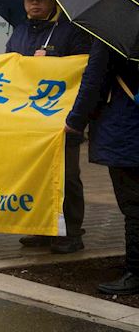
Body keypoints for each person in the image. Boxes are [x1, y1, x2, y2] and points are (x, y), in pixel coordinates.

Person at [8, 0, 92, 254]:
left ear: (53, 1)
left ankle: (71, 232)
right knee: (36, 175)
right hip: (28, 118)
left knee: (66, 176)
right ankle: (43, 228)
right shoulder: (19, 32)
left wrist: (51, 63)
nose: (34, 3)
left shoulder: (71, 31)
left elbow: (85, 70)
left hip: (61, 120)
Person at [65, 42, 139, 294]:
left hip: (127, 128)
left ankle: (135, 271)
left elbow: (94, 82)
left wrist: (75, 121)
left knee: (134, 204)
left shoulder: (113, 36)